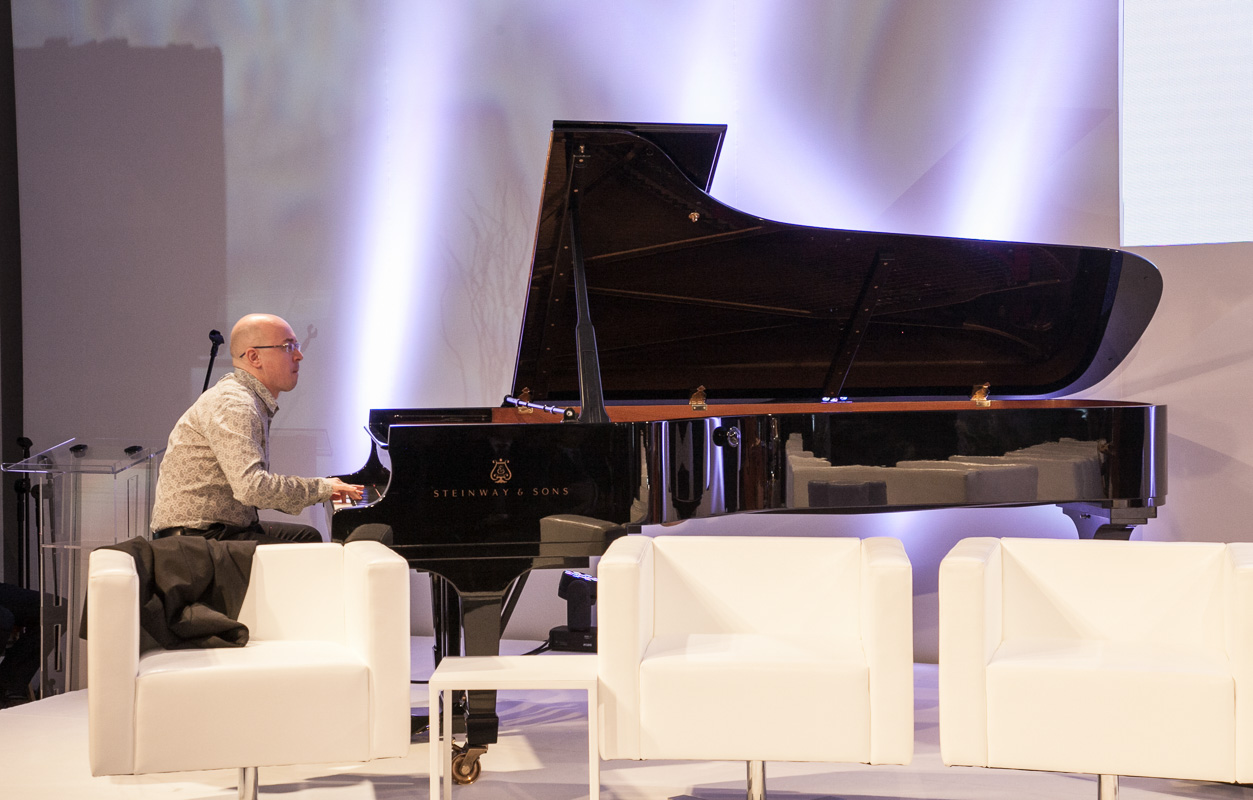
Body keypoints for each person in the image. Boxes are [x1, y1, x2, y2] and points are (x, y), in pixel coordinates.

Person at [150, 313, 363, 543]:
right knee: (306, 548)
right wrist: (322, 488)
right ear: (254, 357)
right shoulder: (235, 403)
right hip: (197, 539)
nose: (299, 356)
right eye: (288, 347)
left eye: (297, 346)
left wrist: (321, 489)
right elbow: (252, 489)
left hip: (222, 528)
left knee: (307, 536)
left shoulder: (246, 397)